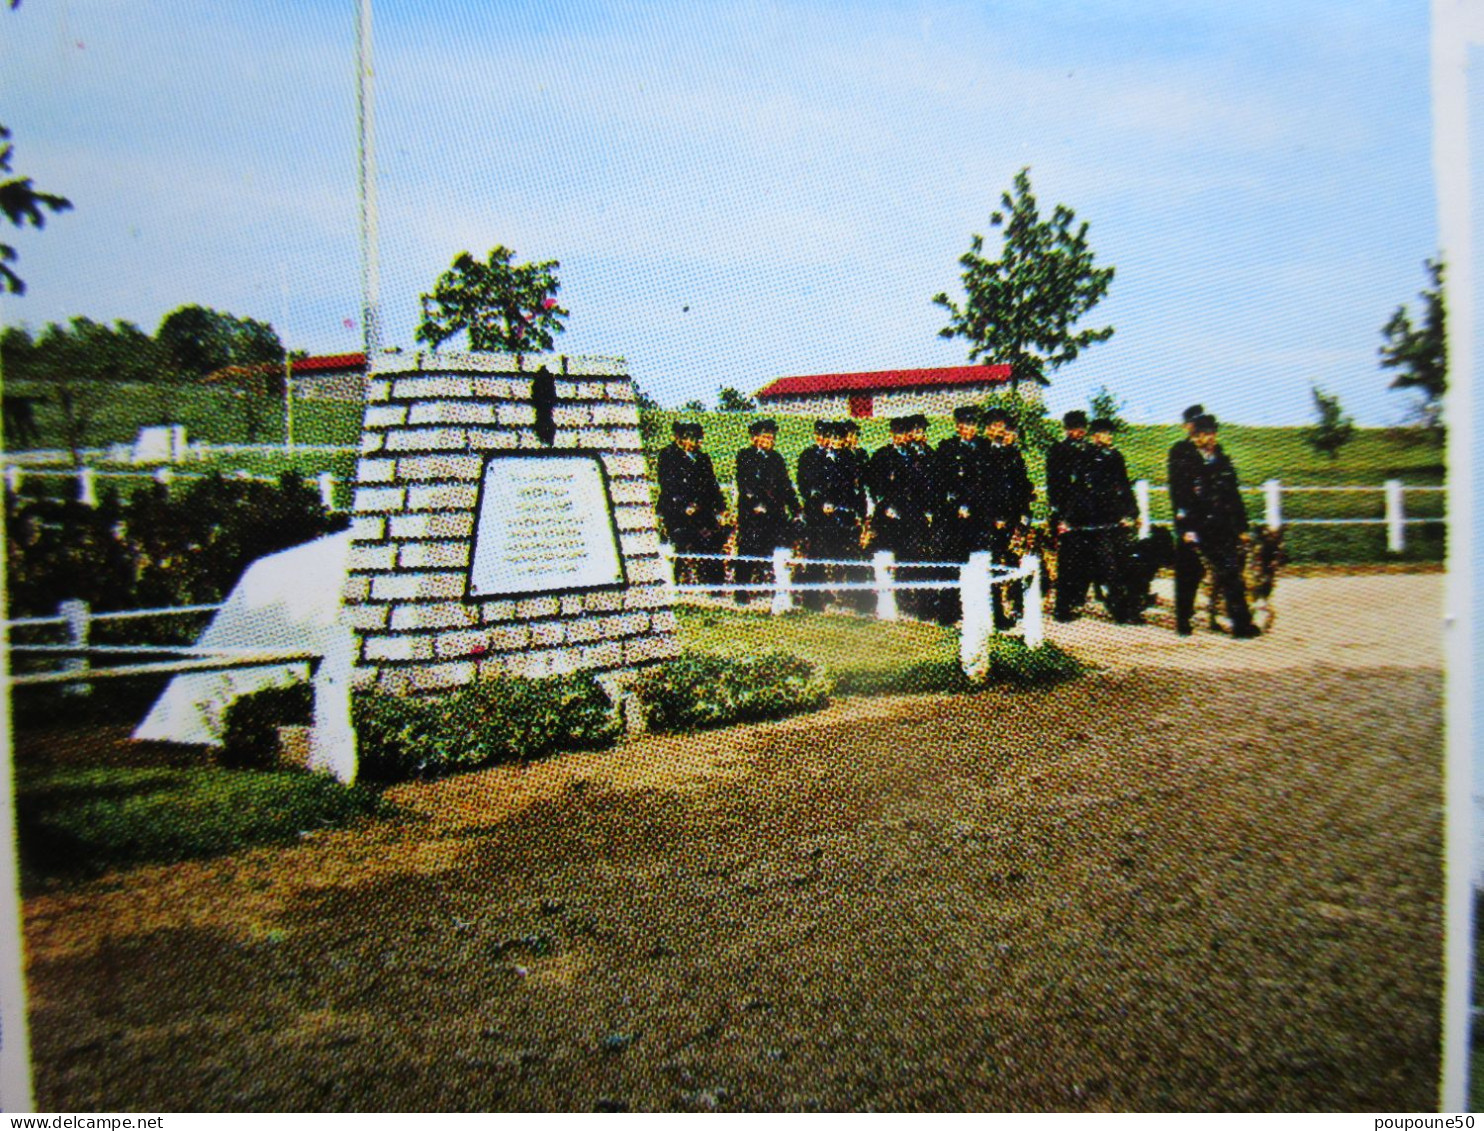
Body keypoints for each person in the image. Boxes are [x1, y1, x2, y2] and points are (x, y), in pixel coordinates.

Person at [1169, 414, 1259, 638]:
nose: (1210, 438)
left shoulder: (1222, 459)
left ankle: (1241, 624)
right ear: (1195, 435)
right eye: (1204, 434)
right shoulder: (1183, 458)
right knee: (1189, 574)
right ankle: (1183, 620)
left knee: (1231, 574)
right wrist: (1185, 529)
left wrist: (1241, 527)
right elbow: (1179, 495)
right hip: (1195, 525)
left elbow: (1233, 495)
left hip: (1221, 526)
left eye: (1212, 433)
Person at [869, 416, 937, 618]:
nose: (903, 438)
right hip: (889, 516)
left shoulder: (915, 456)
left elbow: (922, 485)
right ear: (892, 435)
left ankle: (915, 602)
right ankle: (888, 604)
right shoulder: (882, 455)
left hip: (911, 514)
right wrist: (886, 506)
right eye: (898, 433)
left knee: (913, 557)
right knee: (888, 557)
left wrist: (925, 510)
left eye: (905, 434)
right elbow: (875, 485)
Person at [1081, 417, 1142, 623]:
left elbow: (1125, 486)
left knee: (1128, 564)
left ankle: (1132, 607)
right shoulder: (1087, 457)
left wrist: (1132, 513)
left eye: (1110, 433)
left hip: (1119, 520)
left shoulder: (1116, 456)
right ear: (1094, 436)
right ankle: (1119, 610)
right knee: (1109, 568)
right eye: (1104, 433)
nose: (1108, 437)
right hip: (1098, 521)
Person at [799, 422, 865, 610]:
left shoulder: (847, 460)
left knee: (851, 557)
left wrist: (855, 511)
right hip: (819, 516)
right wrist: (821, 503)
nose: (834, 442)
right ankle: (811, 600)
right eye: (831, 437)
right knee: (817, 557)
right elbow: (808, 486)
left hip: (842, 515)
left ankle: (860, 600)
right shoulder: (814, 458)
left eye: (838, 438)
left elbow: (852, 488)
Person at [734, 418, 799, 605]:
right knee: (748, 549)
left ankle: (780, 591)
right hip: (752, 512)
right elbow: (745, 484)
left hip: (774, 512)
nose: (770, 441)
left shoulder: (776, 459)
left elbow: (786, 486)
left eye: (772, 437)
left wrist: (795, 507)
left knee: (780, 547)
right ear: (755, 438)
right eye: (766, 437)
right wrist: (755, 503)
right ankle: (741, 592)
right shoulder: (745, 456)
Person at [933, 406, 989, 624]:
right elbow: (941, 482)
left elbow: (985, 482)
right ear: (957, 426)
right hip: (954, 517)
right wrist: (956, 503)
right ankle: (948, 611)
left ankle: (977, 612)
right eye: (965, 424)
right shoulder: (947, 448)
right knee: (951, 565)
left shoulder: (984, 447)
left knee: (978, 562)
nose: (969, 429)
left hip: (978, 516)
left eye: (973, 424)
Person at [656, 421, 729, 586]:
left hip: (702, 510)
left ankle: (714, 584)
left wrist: (721, 508)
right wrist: (684, 506)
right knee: (682, 543)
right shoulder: (668, 457)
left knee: (713, 540)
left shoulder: (703, 459)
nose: (695, 443)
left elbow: (712, 485)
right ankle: (676, 582)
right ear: (681, 439)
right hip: (677, 511)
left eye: (698, 439)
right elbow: (668, 485)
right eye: (691, 439)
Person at [982, 408, 1036, 628]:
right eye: (995, 425)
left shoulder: (1013, 455)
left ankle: (1018, 607)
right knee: (994, 566)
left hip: (1014, 519)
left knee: (1015, 563)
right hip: (992, 520)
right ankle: (997, 614)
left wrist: (1024, 515)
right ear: (987, 429)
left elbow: (1023, 487)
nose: (999, 430)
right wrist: (995, 516)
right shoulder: (983, 454)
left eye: (1002, 425)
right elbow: (984, 490)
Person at [1046, 410, 1093, 621]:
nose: (1078, 432)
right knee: (1067, 563)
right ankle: (1062, 608)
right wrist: (1060, 516)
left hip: (1088, 515)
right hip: (1067, 515)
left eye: (1081, 427)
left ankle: (1077, 600)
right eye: (1074, 428)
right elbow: (1054, 486)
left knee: (1086, 562)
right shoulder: (1058, 450)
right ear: (1066, 429)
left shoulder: (1091, 450)